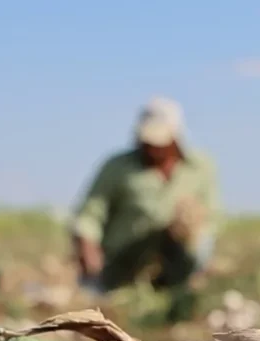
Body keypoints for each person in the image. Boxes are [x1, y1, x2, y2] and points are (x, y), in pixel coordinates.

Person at [70, 97, 221, 319]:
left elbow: (212, 217)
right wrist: (87, 245)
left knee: (201, 245)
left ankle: (177, 293)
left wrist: (186, 229)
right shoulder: (117, 167)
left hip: (176, 257)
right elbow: (89, 214)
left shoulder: (200, 168)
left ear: (176, 138)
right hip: (124, 259)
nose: (152, 148)